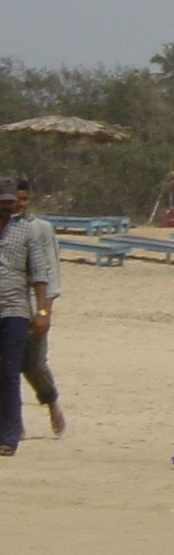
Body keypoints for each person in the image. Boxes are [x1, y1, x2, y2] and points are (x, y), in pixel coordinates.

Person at [0, 179, 55, 459]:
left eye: (12, 201)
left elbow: (39, 274)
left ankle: (8, 436)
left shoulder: (27, 232)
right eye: (5, 201)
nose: (9, 206)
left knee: (8, 374)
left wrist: (43, 311)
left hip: (14, 311)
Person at [12, 180, 65, 437]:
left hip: (33, 306)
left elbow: (50, 270)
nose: (19, 204)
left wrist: (45, 310)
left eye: (23, 199)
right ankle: (13, 421)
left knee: (33, 364)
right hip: (7, 305)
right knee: (6, 365)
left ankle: (51, 402)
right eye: (14, 199)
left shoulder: (40, 229)